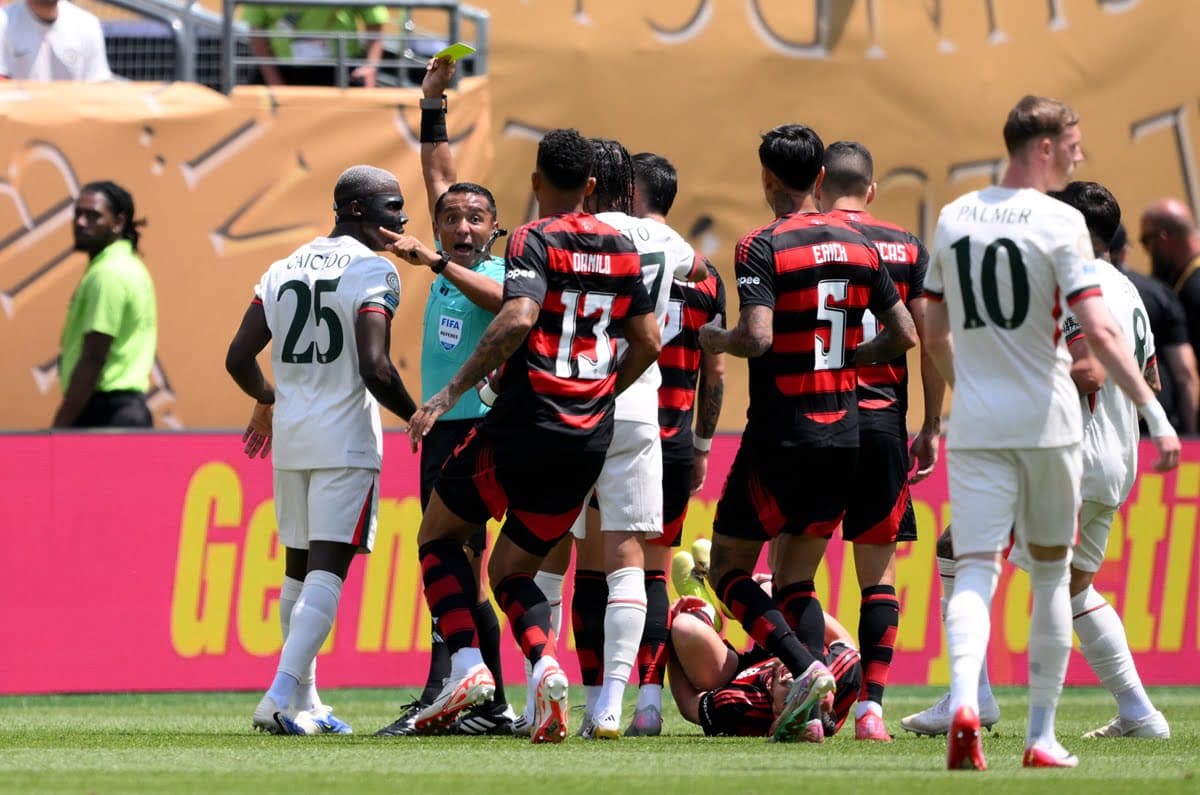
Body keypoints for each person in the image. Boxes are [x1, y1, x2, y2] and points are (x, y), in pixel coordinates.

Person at [923, 95, 1179, 771]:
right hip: (1081, 442)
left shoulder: (953, 218)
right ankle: (1052, 729)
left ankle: (969, 699)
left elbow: (934, 320)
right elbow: (1115, 353)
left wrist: (964, 380)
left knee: (975, 565)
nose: (1078, 151)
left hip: (1024, 427)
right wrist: (1157, 417)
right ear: (1043, 145)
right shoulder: (1096, 263)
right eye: (1072, 141)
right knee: (1057, 582)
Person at [392, 128, 661, 744]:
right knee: (513, 568)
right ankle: (544, 666)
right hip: (587, 436)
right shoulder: (622, 246)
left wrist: (450, 391)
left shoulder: (536, 238)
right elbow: (648, 342)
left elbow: (517, 315)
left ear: (537, 183)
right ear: (592, 186)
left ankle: (468, 668)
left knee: (438, 535)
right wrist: (602, 391)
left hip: (525, 422)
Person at [698, 123, 918, 744]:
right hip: (847, 435)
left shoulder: (760, 245)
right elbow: (903, 334)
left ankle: (808, 669)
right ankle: (821, 711)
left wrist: (713, 337)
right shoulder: (859, 244)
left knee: (727, 567)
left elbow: (758, 338)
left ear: (767, 178)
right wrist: (852, 358)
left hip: (782, 436)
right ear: (820, 178)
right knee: (796, 578)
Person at [225, 165, 417, 735]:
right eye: (391, 206)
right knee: (327, 574)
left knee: (297, 572)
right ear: (355, 209)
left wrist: (270, 398)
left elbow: (238, 357)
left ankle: (306, 699)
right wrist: (417, 415)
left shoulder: (281, 269)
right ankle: (280, 696)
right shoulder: (374, 270)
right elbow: (376, 366)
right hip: (346, 441)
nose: (401, 219)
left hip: (294, 439)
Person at [547, 138, 706, 741]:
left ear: (588, 182)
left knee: (559, 554)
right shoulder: (671, 245)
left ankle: (558, 687)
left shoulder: (569, 233)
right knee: (629, 558)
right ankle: (616, 702)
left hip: (574, 400)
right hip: (641, 402)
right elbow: (693, 278)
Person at [373, 56, 512, 738]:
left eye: (474, 218)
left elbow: (507, 303)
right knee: (452, 565)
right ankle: (476, 693)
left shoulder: (503, 268)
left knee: (457, 562)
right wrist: (432, 103)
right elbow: (438, 173)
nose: (460, 226)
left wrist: (439, 260)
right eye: (451, 218)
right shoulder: (453, 252)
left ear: (495, 225)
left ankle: (463, 687)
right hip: (440, 427)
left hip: (477, 429)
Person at [814, 140, 946, 741]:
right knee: (879, 576)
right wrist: (932, 424)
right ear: (871, 190)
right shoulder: (906, 247)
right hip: (883, 423)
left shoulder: (799, 237)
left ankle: (811, 690)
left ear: (820, 183)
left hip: (814, 421)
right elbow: (928, 338)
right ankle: (872, 710)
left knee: (795, 573)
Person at [667, 595, 862, 739]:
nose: (795, 678)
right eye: (807, 692)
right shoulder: (840, 675)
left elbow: (689, 705)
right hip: (785, 642)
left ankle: (705, 610)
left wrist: (670, 644)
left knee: (684, 627)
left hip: (735, 671)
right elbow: (842, 640)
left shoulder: (744, 704)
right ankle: (731, 601)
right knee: (771, 589)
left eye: (791, 698)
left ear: (776, 711)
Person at [53, 181, 156, 428]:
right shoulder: (129, 266)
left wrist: (61, 426)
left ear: (118, 222)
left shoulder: (108, 274)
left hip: (107, 415)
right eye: (78, 213)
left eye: (93, 215)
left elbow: (94, 358)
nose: (80, 222)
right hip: (124, 412)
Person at [1110, 223, 1199, 435]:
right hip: (1157, 419)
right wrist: (1191, 432)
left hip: (1111, 421)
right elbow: (1184, 370)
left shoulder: (1081, 292)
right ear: (1125, 251)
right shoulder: (1158, 292)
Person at [1140, 198, 1200, 409]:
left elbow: (1186, 370)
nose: (1146, 250)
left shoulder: (1192, 289)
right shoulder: (1184, 281)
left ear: (1163, 237)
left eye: (1145, 241)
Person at [244, 4, 388, 87]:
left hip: (339, 70)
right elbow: (256, 29)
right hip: (280, 69)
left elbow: (374, 19)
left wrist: (371, 66)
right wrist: (273, 80)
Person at [0, 0, 111, 82]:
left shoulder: (87, 24)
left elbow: (98, 83)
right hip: (18, 111)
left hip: (72, 111)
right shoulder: (3, 21)